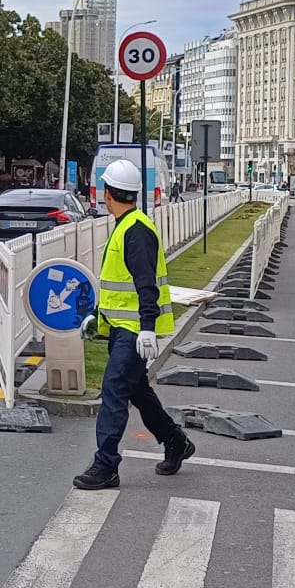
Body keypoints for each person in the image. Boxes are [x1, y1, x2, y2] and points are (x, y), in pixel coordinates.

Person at [74, 159, 195, 491]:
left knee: (113, 391)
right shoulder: (127, 224)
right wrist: (97, 316)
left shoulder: (135, 230)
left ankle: (106, 465)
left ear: (106, 193)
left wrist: (146, 327)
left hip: (133, 332)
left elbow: (145, 285)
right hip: (121, 328)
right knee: (138, 391)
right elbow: (121, 284)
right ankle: (174, 440)